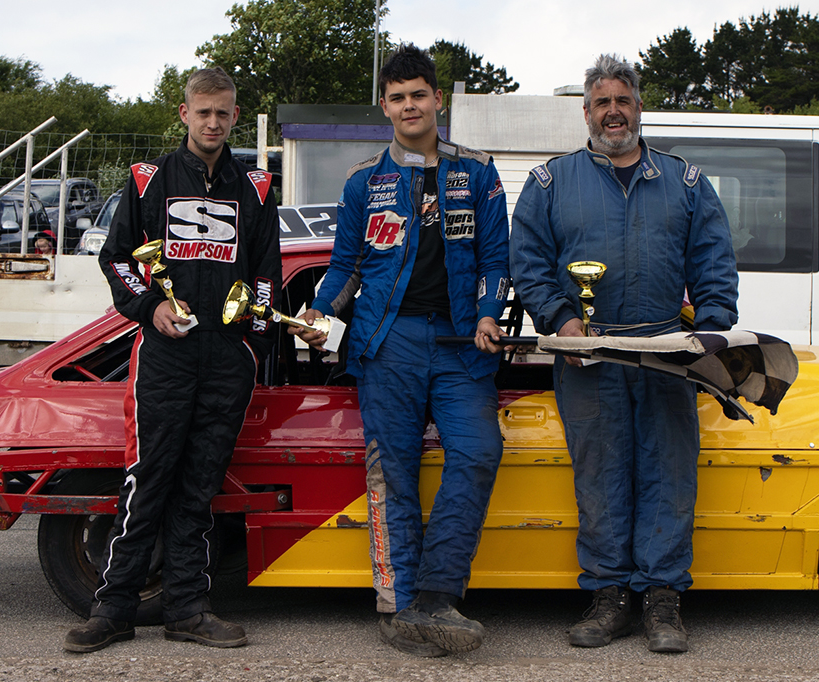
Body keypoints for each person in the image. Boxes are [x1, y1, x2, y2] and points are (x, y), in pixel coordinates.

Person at [509, 54, 738, 654]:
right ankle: (608, 597)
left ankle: (663, 600)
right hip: (589, 359)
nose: (614, 112)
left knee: (668, 475)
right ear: (586, 113)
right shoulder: (550, 183)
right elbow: (528, 262)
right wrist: (562, 320)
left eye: (623, 100)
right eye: (602, 102)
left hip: (666, 357)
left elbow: (714, 262)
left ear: (639, 108)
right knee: (600, 477)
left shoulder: (685, 183)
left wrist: (709, 335)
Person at [292, 44, 510, 657]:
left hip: (462, 344)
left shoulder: (479, 172)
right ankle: (397, 605)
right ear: (384, 107)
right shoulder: (364, 180)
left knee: (479, 451)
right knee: (393, 474)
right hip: (388, 345)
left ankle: (437, 597)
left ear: (438, 99)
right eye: (397, 97)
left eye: (419, 94)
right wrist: (320, 311)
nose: (409, 105)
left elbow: (497, 260)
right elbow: (344, 267)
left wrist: (489, 313)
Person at [65, 67, 282, 654]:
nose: (213, 122)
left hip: (227, 359)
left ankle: (187, 609)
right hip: (165, 356)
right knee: (149, 479)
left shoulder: (257, 187)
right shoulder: (148, 179)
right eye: (202, 112)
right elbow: (118, 259)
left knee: (199, 487)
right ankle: (112, 609)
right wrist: (151, 306)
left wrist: (252, 345)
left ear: (235, 116)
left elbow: (267, 274)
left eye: (223, 113)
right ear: (184, 113)